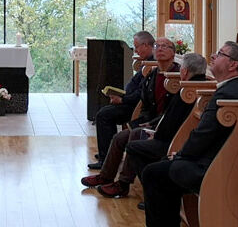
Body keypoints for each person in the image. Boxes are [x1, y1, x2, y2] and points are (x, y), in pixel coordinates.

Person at [132, 42, 238, 227]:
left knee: (154, 173)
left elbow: (203, 136)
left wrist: (179, 155)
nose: (213, 57)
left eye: (220, 54)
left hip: (215, 166)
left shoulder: (227, 94)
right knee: (164, 170)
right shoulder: (233, 89)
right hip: (219, 159)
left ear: (232, 64)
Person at [81, 53, 206, 198]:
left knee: (134, 138)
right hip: (158, 126)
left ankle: (123, 184)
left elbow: (175, 121)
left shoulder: (189, 90)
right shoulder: (182, 85)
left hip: (171, 139)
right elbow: (165, 114)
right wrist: (152, 124)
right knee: (119, 137)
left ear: (183, 71)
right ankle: (106, 176)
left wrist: (155, 131)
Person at [91, 31, 156, 169]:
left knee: (104, 115)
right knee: (104, 112)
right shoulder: (148, 61)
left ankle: (106, 159)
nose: (136, 51)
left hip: (137, 106)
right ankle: (108, 153)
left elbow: (141, 92)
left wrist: (122, 99)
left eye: (137, 47)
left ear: (145, 45)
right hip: (131, 101)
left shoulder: (153, 64)